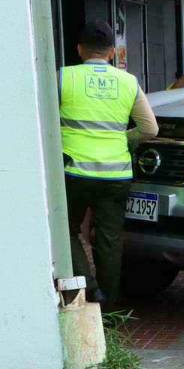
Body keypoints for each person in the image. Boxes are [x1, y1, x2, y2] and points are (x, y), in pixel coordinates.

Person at [60, 21, 158, 307]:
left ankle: (90, 290)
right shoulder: (129, 82)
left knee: (66, 230)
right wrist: (123, 137)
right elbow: (150, 129)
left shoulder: (63, 77)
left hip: (74, 172)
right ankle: (109, 307)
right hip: (116, 175)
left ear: (79, 49)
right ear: (112, 53)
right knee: (110, 238)